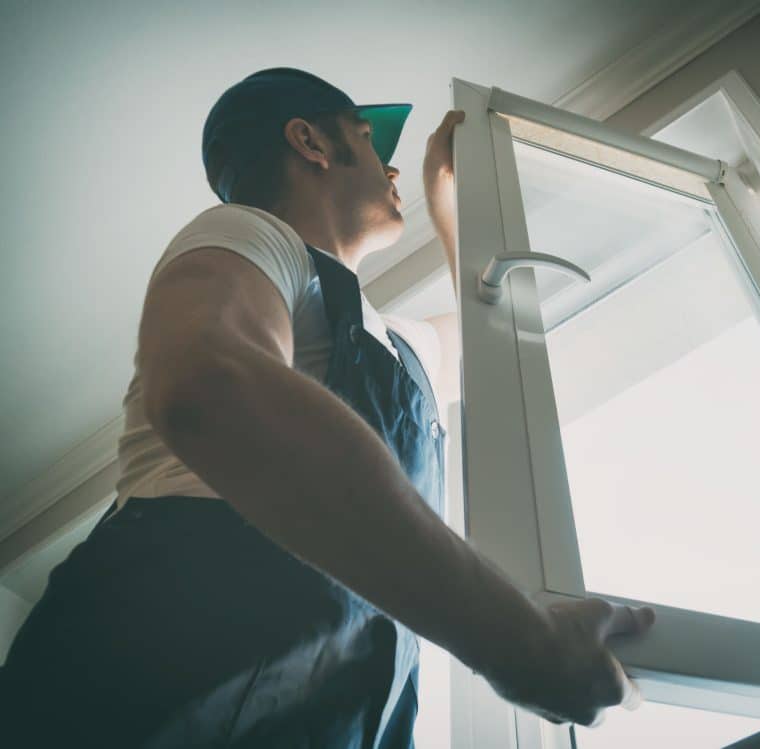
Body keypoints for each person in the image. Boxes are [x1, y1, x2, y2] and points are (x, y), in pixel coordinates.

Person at [0, 67, 653, 748]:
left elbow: (493, 340)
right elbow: (209, 388)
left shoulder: (404, 345)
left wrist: (455, 205)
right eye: (370, 140)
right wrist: (521, 640)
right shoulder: (253, 238)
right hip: (152, 677)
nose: (391, 166)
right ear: (312, 143)